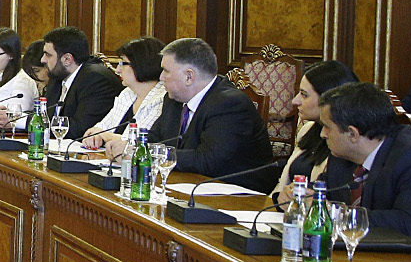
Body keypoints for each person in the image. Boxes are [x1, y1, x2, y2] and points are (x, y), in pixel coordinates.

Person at [320, 82, 411, 254]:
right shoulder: (342, 156)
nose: (322, 134)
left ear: (353, 134)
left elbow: (409, 224)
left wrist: (337, 214)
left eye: (327, 127)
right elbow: (324, 192)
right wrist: (308, 197)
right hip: (374, 254)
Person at [146, 37, 276, 192]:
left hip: (235, 193)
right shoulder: (173, 99)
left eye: (166, 71)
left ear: (189, 76)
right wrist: (132, 146)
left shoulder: (230, 104)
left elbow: (207, 160)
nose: (161, 77)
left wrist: (151, 154)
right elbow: (154, 138)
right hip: (187, 184)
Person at [0, 26, 120, 136]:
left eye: (48, 55)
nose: (42, 60)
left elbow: (80, 128)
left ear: (67, 59)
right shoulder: (58, 77)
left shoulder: (95, 79)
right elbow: (47, 116)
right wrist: (13, 114)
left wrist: (18, 120)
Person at [269, 59, 359, 202]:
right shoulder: (308, 129)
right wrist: (278, 199)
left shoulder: (345, 142)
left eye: (304, 95)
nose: (295, 101)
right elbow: (282, 187)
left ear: (329, 98)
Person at [83, 37, 167, 156]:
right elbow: (98, 129)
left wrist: (104, 135)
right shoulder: (127, 93)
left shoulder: (162, 99)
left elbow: (137, 143)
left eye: (123, 63)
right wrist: (97, 136)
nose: (117, 70)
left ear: (141, 64)